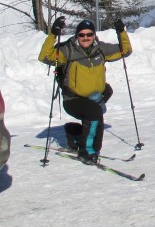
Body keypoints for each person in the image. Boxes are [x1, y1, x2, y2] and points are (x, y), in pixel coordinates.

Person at [39, 17, 132, 165]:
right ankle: (85, 151)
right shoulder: (67, 51)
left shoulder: (100, 49)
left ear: (94, 35)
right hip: (73, 100)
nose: (85, 37)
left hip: (93, 98)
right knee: (95, 113)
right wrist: (53, 34)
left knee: (103, 99)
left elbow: (125, 50)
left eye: (89, 34)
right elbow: (45, 57)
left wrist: (121, 31)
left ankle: (74, 134)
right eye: (81, 35)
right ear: (77, 35)